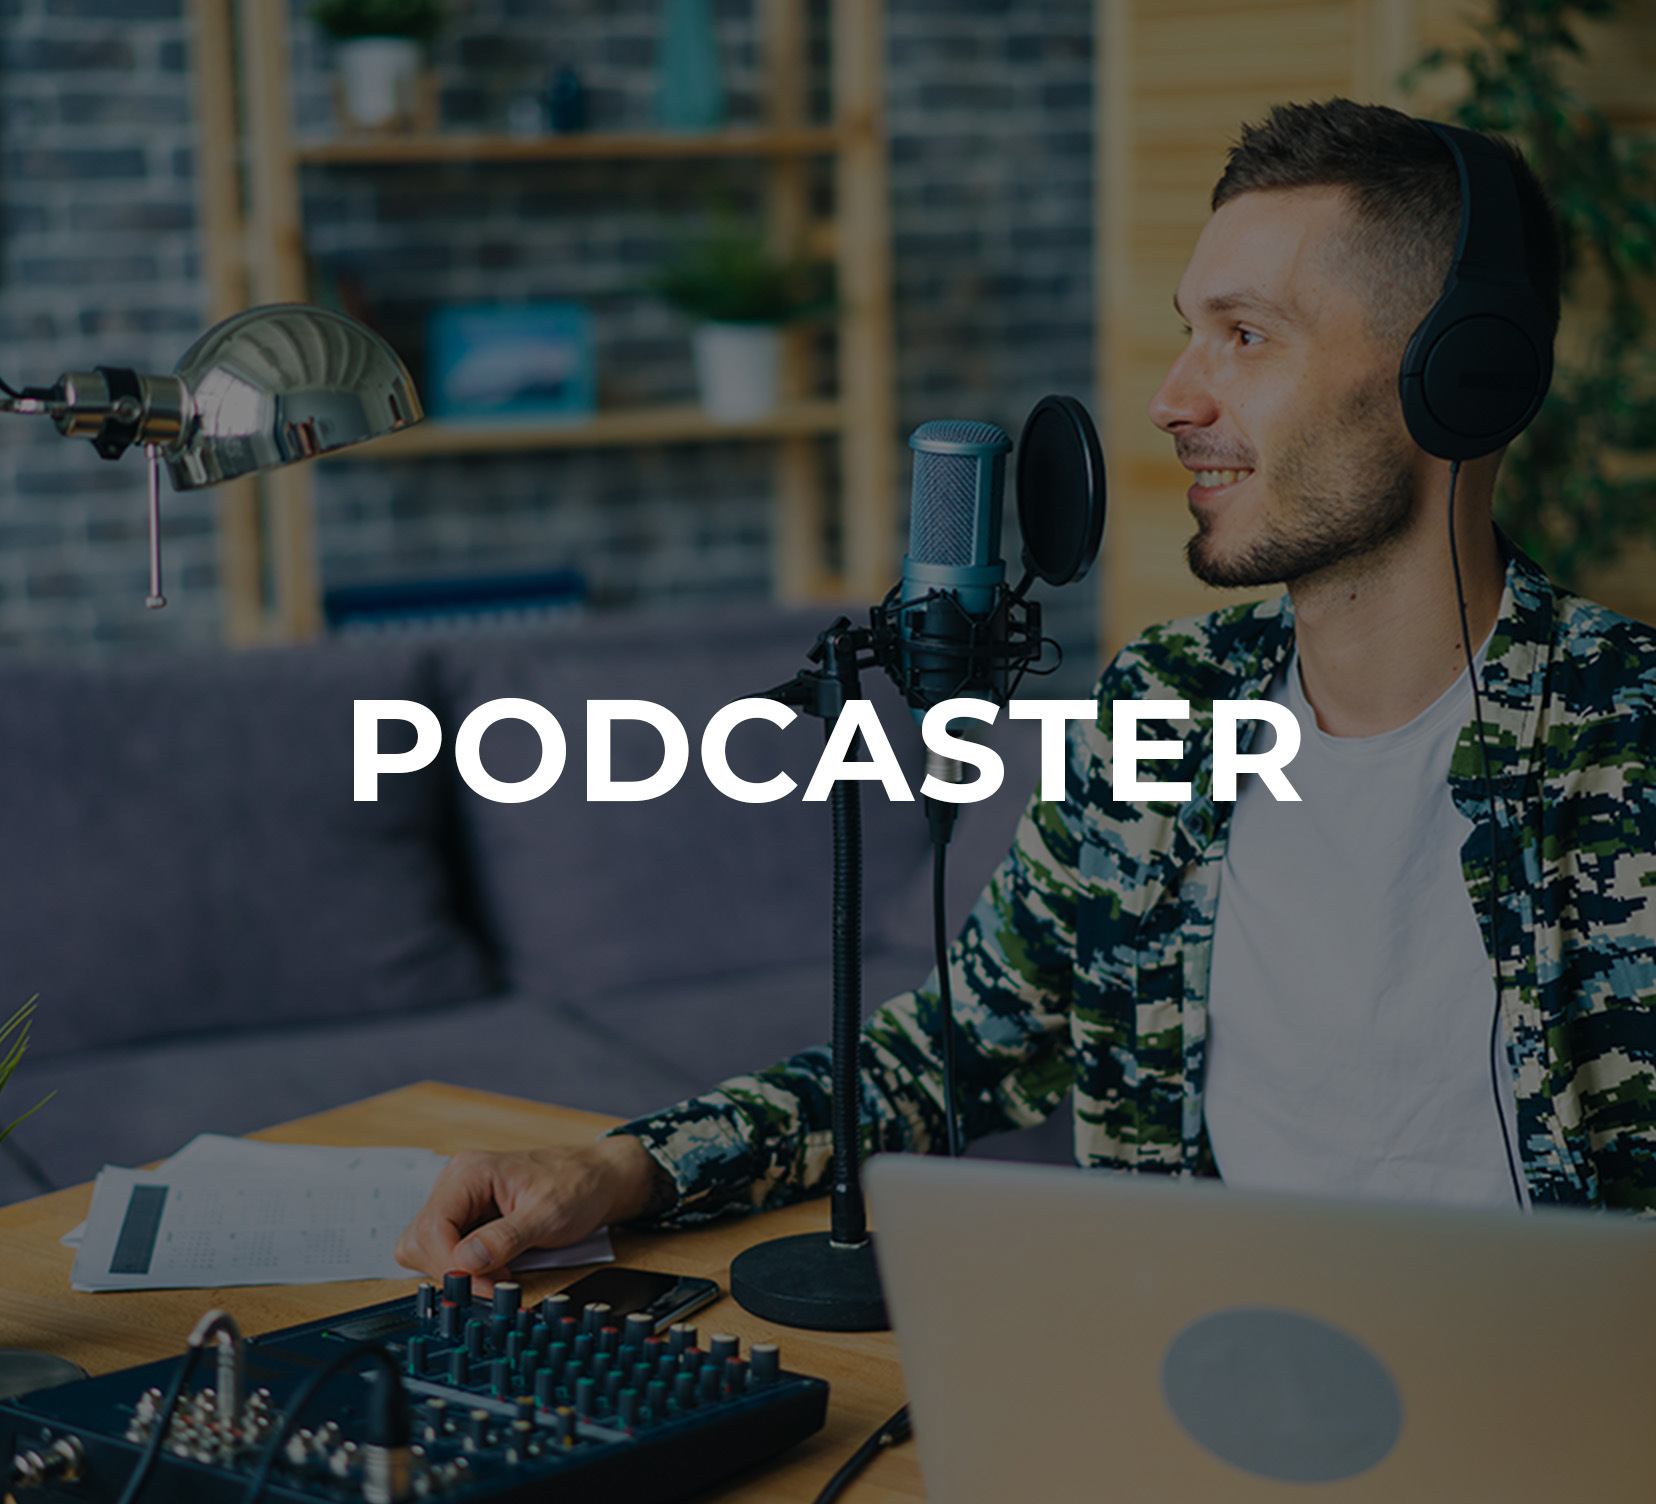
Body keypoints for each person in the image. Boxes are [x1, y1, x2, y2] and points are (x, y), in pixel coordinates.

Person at [395, 99, 1656, 1289]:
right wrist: (617, 1168)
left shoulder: (1631, 742)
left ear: (1459, 373)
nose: (1172, 400)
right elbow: (952, 1046)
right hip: (1191, 1390)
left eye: (1248, 335)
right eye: (1186, 330)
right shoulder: (1167, 708)